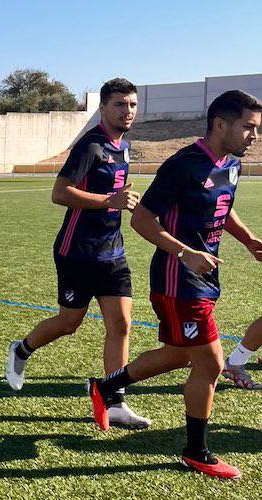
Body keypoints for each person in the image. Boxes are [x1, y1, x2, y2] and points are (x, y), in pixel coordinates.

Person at [88, 90, 261, 479]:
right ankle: (196, 451)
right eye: (249, 127)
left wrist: (248, 239)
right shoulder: (183, 164)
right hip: (177, 279)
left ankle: (105, 387)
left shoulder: (230, 165)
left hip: (203, 277)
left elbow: (223, 206)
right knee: (211, 364)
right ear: (220, 124)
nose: (254, 136)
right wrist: (185, 253)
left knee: (179, 355)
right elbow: (142, 219)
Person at [4, 78, 150, 428]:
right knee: (69, 323)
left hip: (112, 251)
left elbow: (115, 195)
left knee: (121, 325)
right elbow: (59, 192)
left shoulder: (122, 145)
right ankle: (21, 349)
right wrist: (108, 202)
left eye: (131, 104)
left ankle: (114, 400)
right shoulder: (91, 145)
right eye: (119, 104)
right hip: (77, 251)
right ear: (103, 107)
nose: (127, 110)